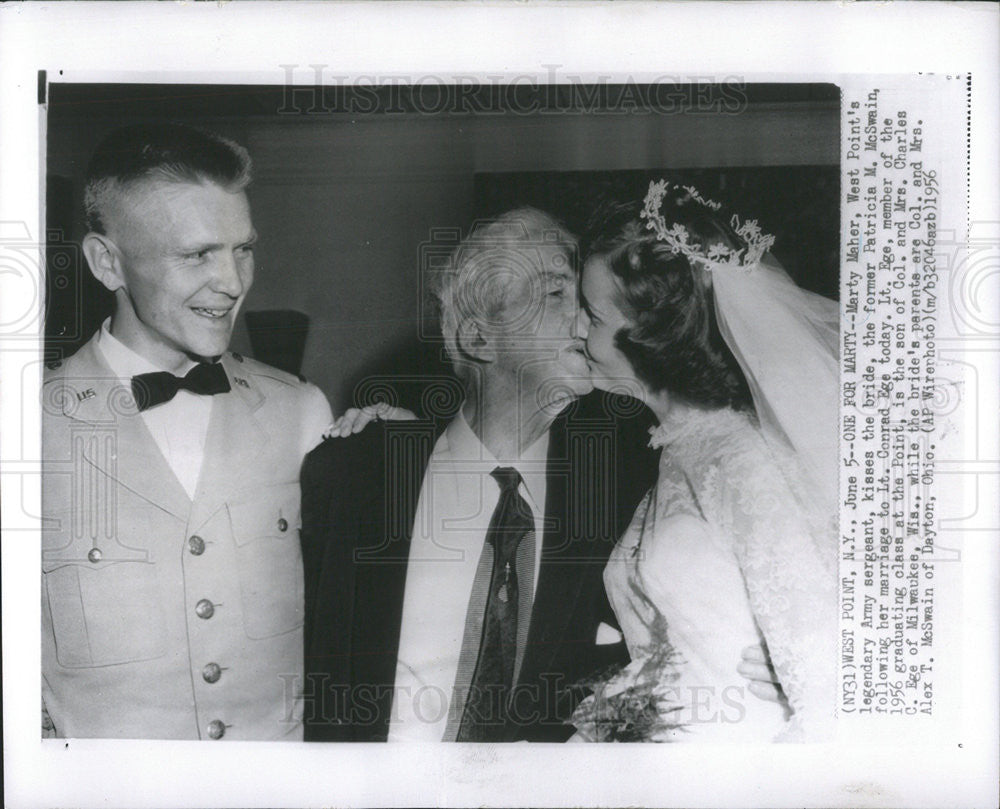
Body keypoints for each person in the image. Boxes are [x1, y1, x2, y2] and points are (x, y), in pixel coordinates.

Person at [300, 207, 783, 742]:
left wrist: (788, 660)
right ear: (479, 338)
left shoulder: (635, 484)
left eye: (586, 302)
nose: (584, 322)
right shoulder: (354, 474)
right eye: (555, 295)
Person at [41, 123, 332, 740]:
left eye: (243, 248)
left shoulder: (302, 412)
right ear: (107, 262)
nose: (232, 282)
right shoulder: (23, 431)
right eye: (197, 254)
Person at [570, 180, 839, 742]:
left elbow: (826, 698)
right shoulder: (678, 446)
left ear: (653, 334)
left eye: (593, 317)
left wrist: (817, 676)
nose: (578, 332)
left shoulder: (741, 460)